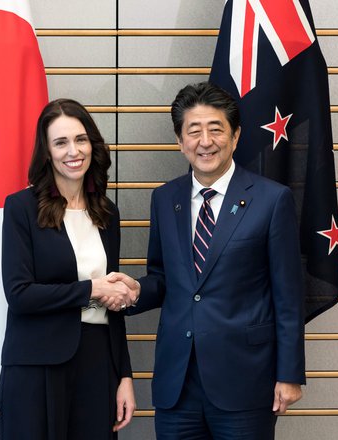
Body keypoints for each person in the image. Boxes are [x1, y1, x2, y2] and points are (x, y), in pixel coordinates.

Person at [119, 82, 306, 439]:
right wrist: (133, 292)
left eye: (216, 128)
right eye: (194, 131)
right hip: (178, 384)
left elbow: (288, 295)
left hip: (246, 381)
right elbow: (163, 275)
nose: (205, 141)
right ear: (180, 141)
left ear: (235, 136)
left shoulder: (272, 200)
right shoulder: (164, 198)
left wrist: (290, 373)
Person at [0, 98, 138, 439]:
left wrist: (124, 376)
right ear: (46, 152)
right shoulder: (21, 208)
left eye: (80, 139)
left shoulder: (106, 212)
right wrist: (92, 289)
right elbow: (19, 295)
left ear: (92, 144)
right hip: (36, 366)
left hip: (97, 362)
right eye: (60, 142)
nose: (73, 151)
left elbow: (113, 304)